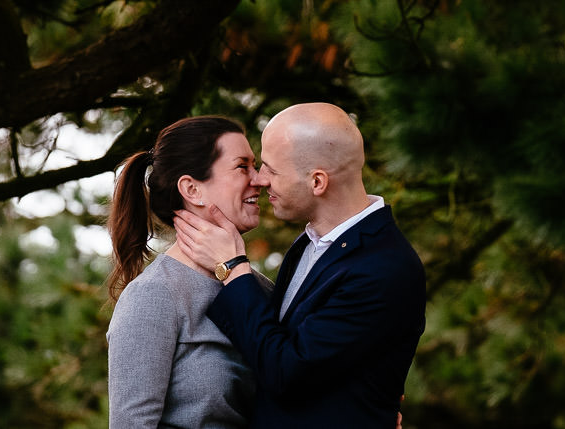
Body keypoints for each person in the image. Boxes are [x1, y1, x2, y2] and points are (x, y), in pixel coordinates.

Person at [174, 102, 426, 429]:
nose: (260, 180)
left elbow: (286, 372)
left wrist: (233, 268)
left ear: (317, 182)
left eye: (271, 169)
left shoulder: (382, 267)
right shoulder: (311, 242)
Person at [105, 115, 269, 428]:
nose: (259, 179)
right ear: (192, 189)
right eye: (242, 166)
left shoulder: (258, 288)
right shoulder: (154, 296)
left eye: (255, 165)